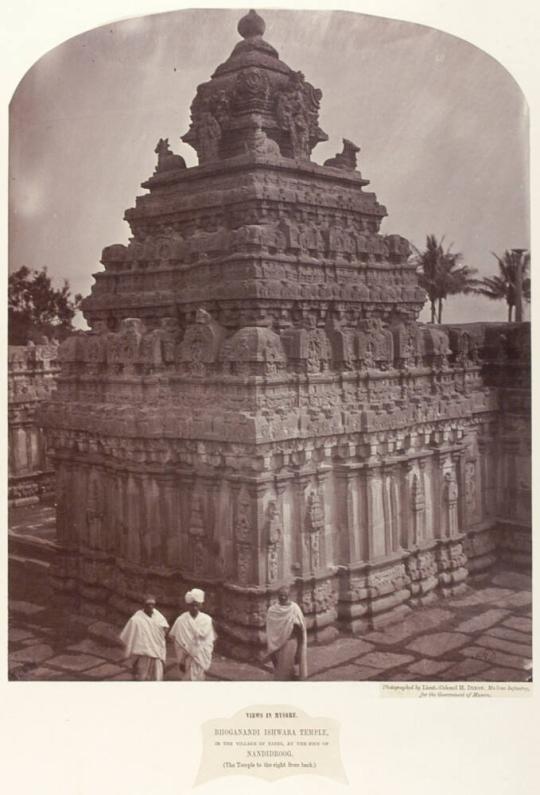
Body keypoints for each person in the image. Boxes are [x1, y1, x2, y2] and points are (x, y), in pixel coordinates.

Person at [169, 589, 216, 681]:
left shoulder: (207, 619)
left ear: (201, 605)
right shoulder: (181, 620)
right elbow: (174, 637)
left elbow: (209, 640)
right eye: (192, 605)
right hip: (185, 657)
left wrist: (199, 650)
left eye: (197, 605)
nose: (194, 608)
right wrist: (182, 657)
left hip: (201, 656)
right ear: (188, 606)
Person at [119, 594, 169, 681]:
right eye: (148, 604)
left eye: (152, 604)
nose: (150, 606)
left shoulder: (158, 615)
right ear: (143, 605)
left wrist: (160, 635)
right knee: (142, 678)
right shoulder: (136, 619)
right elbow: (128, 635)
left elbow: (166, 627)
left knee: (157, 679)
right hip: (143, 655)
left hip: (157, 653)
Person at [265, 585, 308, 681]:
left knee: (287, 669)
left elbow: (301, 629)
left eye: (285, 595)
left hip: (291, 642)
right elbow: (270, 629)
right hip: (276, 644)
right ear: (277, 596)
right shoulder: (272, 610)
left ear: (289, 595)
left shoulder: (294, 609)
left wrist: (300, 648)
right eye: (280, 595)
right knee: (280, 669)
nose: (283, 597)